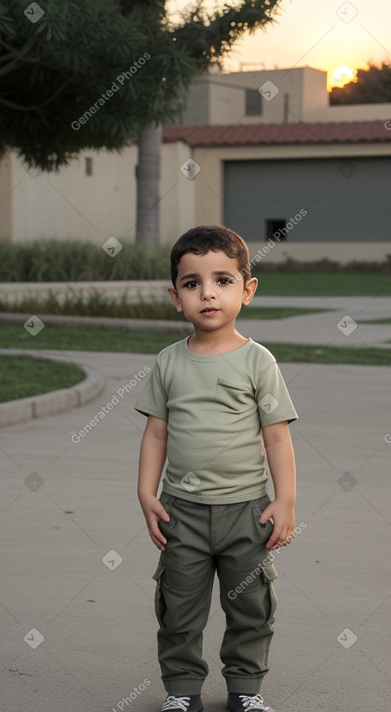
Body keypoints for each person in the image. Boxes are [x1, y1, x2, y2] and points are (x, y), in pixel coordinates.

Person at [135, 226, 298, 712]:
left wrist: (285, 499)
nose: (207, 292)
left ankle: (245, 690)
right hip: (181, 513)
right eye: (192, 283)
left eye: (222, 280)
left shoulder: (258, 362)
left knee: (251, 607)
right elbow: (156, 435)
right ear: (175, 296)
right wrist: (147, 493)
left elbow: (276, 435)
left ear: (247, 290)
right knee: (178, 609)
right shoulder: (168, 362)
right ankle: (182, 693)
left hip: (247, 514)